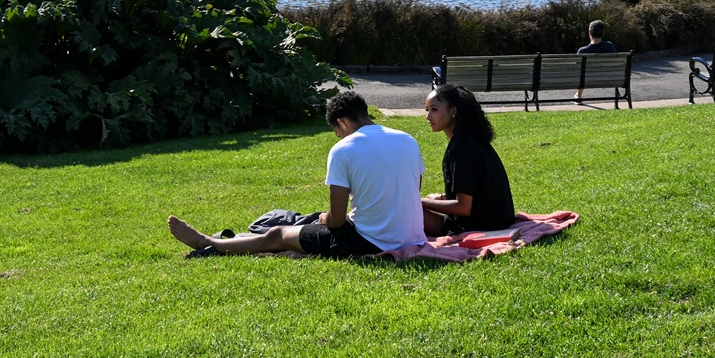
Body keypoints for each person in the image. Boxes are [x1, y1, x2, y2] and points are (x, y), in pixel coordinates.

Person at [167, 90, 425, 259]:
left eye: (337, 133)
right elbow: (411, 192)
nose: (338, 137)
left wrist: (326, 218)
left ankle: (207, 242)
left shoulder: (344, 149)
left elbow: (335, 223)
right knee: (303, 227)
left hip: (371, 242)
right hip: (412, 236)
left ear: (342, 123)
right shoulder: (407, 139)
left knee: (278, 235)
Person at [419, 85, 516, 238]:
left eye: (434, 110)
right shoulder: (472, 140)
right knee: (429, 202)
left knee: (406, 210)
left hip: (481, 227)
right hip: (500, 220)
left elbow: (463, 208)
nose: (428, 116)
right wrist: (442, 197)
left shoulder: (460, 149)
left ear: (453, 111)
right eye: (427, 110)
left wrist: (420, 202)